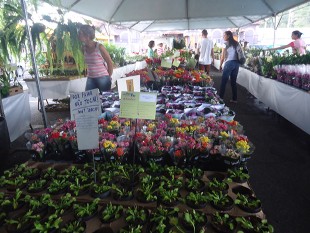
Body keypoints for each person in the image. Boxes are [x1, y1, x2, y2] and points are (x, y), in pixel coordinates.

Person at [78, 24, 113, 93]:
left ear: (87, 36)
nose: (78, 35)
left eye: (80, 33)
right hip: (90, 77)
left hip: (103, 78)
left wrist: (108, 76)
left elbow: (109, 62)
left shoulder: (99, 47)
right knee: (88, 99)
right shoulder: (83, 48)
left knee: (104, 100)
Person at [219, 30, 242, 103]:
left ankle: (221, 98)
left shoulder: (225, 44)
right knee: (233, 82)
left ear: (228, 36)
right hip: (236, 64)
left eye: (224, 35)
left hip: (229, 63)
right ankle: (235, 99)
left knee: (224, 81)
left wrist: (220, 65)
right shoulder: (236, 43)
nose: (223, 37)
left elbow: (222, 57)